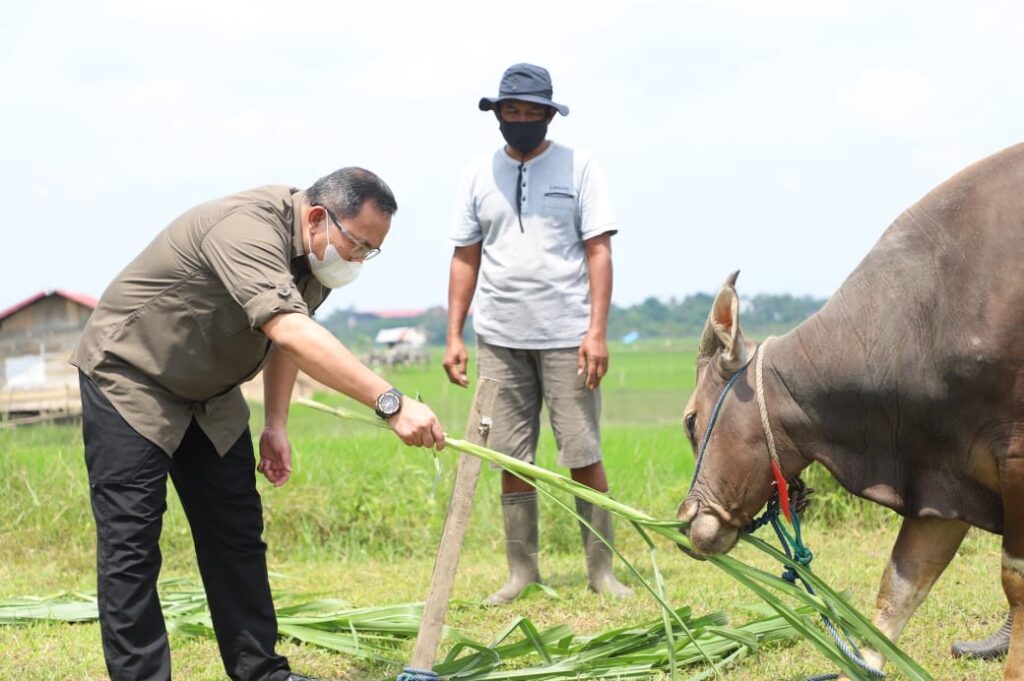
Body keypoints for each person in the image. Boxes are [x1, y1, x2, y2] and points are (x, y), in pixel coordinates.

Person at [71, 167, 446, 681]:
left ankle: (261, 672)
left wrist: (276, 423)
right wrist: (391, 402)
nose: (358, 260)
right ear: (317, 217)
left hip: (209, 393)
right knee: (131, 542)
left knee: (236, 532)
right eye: (358, 245)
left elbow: (290, 337)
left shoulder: (316, 259)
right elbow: (287, 327)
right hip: (134, 376)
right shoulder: (247, 228)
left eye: (370, 252)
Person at [443, 63, 632, 603]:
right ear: (498, 114)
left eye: (532, 112)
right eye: (512, 111)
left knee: (581, 451)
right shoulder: (478, 173)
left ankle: (601, 571)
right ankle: (522, 573)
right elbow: (464, 256)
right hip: (499, 337)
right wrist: (454, 334)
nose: (521, 120)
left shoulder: (580, 167)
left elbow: (599, 250)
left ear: (549, 116)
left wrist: (596, 331)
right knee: (509, 455)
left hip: (567, 335)